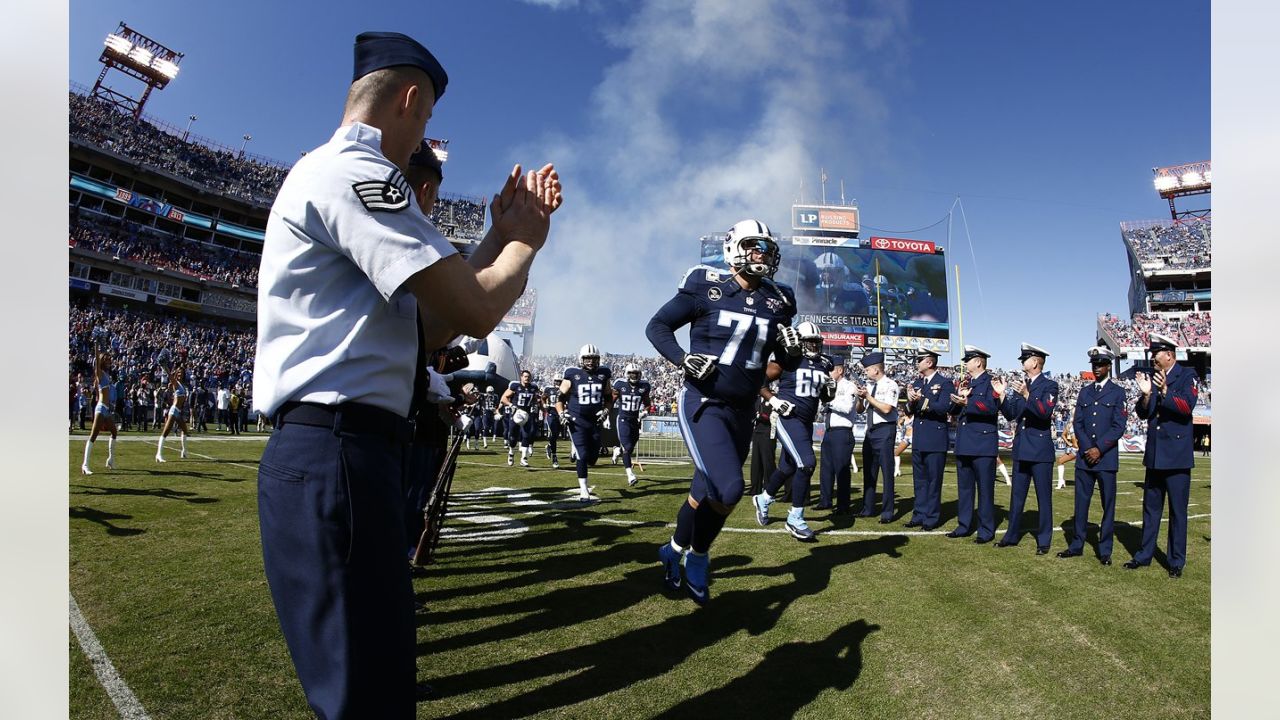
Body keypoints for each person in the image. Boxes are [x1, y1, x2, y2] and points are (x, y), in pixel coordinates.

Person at [252, 31, 561, 718]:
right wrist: (524, 244)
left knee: (367, 687)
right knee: (370, 698)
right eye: (425, 119)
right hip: (339, 450)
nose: (423, 133)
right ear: (411, 100)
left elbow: (427, 328)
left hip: (334, 449)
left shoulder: (330, 175)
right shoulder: (360, 175)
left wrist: (491, 240)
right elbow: (476, 310)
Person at [647, 218, 797, 603]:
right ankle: (699, 556)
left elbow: (781, 361)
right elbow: (658, 326)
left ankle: (673, 551)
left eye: (766, 248)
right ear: (733, 248)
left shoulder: (778, 300)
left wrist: (792, 355)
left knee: (703, 491)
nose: (761, 255)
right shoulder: (705, 285)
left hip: (744, 410)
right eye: (753, 246)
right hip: (705, 402)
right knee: (730, 488)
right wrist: (683, 359)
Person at [752, 321, 836, 541]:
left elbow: (825, 397)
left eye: (817, 341)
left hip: (806, 421)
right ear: (800, 340)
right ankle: (795, 517)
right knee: (807, 463)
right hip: (789, 417)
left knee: (788, 466)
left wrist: (830, 391)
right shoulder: (789, 359)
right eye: (810, 341)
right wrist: (774, 400)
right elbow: (758, 381)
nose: (815, 346)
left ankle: (764, 499)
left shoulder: (825, 363)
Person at [1124, 333, 1199, 578]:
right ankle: (1144, 555)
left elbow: (1187, 407)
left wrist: (1164, 391)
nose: (1152, 358)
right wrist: (1147, 395)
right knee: (1150, 509)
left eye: (1156, 354)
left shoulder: (1188, 375)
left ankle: (1176, 561)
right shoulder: (1154, 378)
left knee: (1177, 512)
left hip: (1177, 457)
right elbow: (1144, 413)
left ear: (1169, 354)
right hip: (1156, 455)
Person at [1059, 346, 1127, 566]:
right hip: (1085, 459)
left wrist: (1099, 448)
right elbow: (1078, 423)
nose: (1096, 368)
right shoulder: (1084, 392)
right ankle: (1076, 545)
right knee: (1081, 504)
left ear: (1108, 366)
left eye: (1100, 365)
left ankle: (1105, 550)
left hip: (1105, 459)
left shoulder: (1118, 392)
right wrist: (1089, 447)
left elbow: (1119, 425)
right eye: (1094, 365)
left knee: (1108, 506)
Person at [993, 343, 1060, 554]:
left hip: (1040, 450)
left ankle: (1044, 541)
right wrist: (1002, 395)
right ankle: (1011, 536)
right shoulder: (1024, 385)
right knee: (1017, 497)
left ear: (1035, 362)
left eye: (1025, 359)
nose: (1022, 363)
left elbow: (1044, 413)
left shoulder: (1050, 385)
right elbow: (1012, 413)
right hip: (1022, 448)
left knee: (1043, 498)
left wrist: (1027, 395)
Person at [947, 346, 1000, 543]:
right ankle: (964, 525)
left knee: (985, 490)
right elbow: (952, 409)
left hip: (983, 444)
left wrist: (967, 403)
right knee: (965, 489)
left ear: (978, 361)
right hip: (965, 443)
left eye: (968, 360)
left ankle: (985, 530)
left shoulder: (991, 382)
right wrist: (958, 398)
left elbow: (992, 407)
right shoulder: (965, 382)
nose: (965, 363)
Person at [903, 348, 954, 530]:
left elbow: (943, 408)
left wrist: (922, 400)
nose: (917, 362)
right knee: (919, 481)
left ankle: (931, 518)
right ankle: (919, 514)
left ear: (930, 362)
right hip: (919, 438)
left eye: (920, 359)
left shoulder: (945, 383)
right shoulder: (917, 382)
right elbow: (909, 411)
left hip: (935, 439)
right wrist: (910, 401)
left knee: (933, 481)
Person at [558, 345, 613, 498]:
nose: (590, 361)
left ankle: (578, 453)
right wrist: (562, 413)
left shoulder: (604, 374)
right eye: (587, 358)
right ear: (581, 359)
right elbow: (559, 398)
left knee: (593, 458)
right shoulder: (572, 374)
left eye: (594, 358)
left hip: (595, 420)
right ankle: (584, 489)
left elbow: (609, 397)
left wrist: (606, 411)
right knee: (582, 455)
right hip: (577, 420)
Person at [853, 351, 900, 523]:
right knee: (869, 472)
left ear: (875, 369)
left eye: (867, 370)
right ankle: (868, 508)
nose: (865, 372)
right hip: (871, 431)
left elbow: (887, 409)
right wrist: (860, 398)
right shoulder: (870, 387)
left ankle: (887, 512)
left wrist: (868, 397)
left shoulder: (890, 385)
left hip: (885, 430)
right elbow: (860, 410)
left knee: (887, 472)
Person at [817, 356, 856, 514]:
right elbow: (821, 410)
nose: (828, 372)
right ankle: (825, 501)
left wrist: (829, 401)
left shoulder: (849, 386)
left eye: (831, 369)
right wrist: (824, 405)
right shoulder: (828, 386)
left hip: (842, 431)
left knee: (841, 470)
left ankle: (843, 505)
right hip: (829, 431)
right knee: (826, 469)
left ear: (840, 370)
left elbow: (847, 407)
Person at [611, 363, 652, 486]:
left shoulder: (644, 386)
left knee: (630, 448)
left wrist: (645, 412)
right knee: (627, 449)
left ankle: (617, 450)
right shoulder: (620, 384)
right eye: (631, 373)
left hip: (635, 420)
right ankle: (630, 475)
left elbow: (648, 403)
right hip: (623, 419)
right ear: (627, 374)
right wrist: (606, 417)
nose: (634, 376)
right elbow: (610, 401)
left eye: (636, 374)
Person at [80, 353, 119, 475]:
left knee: (114, 432)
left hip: (106, 409)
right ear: (101, 361)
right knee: (93, 436)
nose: (109, 361)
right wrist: (97, 344)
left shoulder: (106, 374)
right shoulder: (100, 373)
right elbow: (96, 363)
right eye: (106, 359)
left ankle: (111, 459)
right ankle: (85, 465)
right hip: (101, 408)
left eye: (109, 359)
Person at [502, 369, 542, 468]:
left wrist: (538, 403)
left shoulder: (533, 387)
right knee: (513, 438)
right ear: (521, 377)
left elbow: (536, 399)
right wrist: (511, 405)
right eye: (525, 376)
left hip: (527, 414)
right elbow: (503, 398)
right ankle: (511, 452)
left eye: (528, 377)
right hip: (516, 413)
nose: (527, 378)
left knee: (526, 436)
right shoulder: (515, 386)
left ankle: (524, 458)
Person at [155, 366, 190, 462]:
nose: (180, 374)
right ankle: (158, 454)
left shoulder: (182, 384)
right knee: (166, 432)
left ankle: (184, 451)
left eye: (182, 373)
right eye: (178, 373)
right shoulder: (175, 383)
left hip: (178, 411)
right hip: (174, 410)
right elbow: (170, 375)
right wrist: (164, 366)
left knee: (184, 430)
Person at [749, 393, 778, 498]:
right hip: (757, 431)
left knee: (768, 462)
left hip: (768, 432)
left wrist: (759, 416)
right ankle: (755, 487)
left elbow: (772, 416)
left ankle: (769, 489)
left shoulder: (774, 399)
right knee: (756, 461)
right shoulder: (756, 399)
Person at [543, 378, 563, 468]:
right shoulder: (549, 389)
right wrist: (544, 404)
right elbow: (543, 398)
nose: (558, 382)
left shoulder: (564, 390)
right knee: (553, 434)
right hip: (551, 414)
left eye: (559, 381)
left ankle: (549, 446)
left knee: (555, 436)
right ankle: (554, 457)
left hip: (560, 415)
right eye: (557, 381)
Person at [1055, 419, 1078, 490]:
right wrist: (1069, 443)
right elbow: (1063, 435)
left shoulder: (1082, 424)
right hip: (1074, 449)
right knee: (1060, 461)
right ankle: (1061, 481)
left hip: (1082, 449)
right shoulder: (1069, 425)